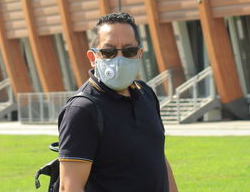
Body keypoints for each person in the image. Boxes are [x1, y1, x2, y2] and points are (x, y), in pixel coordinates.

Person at [58, 12, 178, 192]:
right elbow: (69, 187)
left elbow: (158, 156)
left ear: (139, 54)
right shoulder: (82, 109)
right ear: (93, 58)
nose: (119, 60)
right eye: (108, 52)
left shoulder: (146, 93)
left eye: (129, 51)